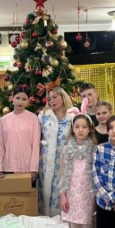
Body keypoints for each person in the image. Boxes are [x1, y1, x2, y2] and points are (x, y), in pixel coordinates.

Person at [59, 114, 97, 228]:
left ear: (90, 129)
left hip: (88, 193)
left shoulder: (94, 149)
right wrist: (63, 195)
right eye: (77, 127)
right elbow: (63, 174)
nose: (80, 130)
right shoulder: (67, 149)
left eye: (84, 127)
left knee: (88, 227)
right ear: (72, 129)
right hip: (72, 193)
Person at [37, 87, 78, 216]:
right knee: (44, 194)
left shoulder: (72, 117)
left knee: (61, 192)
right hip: (45, 164)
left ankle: (62, 220)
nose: (52, 101)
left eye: (55, 97)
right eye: (50, 99)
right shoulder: (43, 116)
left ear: (63, 97)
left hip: (64, 163)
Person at [0, 86, 40, 182]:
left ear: (28, 101)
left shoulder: (33, 118)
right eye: (18, 98)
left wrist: (33, 169)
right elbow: (0, 145)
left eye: (24, 99)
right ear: (12, 98)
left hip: (26, 168)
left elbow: (36, 145)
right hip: (8, 167)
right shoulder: (4, 119)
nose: (20, 102)